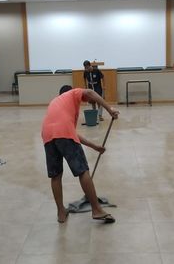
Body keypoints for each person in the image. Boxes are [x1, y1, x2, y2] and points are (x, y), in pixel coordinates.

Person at [42, 85, 119, 223]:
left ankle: (61, 213)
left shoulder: (55, 103)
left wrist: (95, 147)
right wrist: (109, 109)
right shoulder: (72, 93)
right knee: (83, 171)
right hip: (63, 133)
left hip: (47, 135)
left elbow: (70, 134)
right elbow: (89, 92)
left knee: (55, 175)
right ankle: (96, 209)